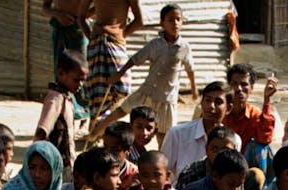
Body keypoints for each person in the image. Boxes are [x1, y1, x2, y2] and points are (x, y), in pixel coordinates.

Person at [86, 4, 196, 142]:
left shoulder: (184, 47)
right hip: (147, 91)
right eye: (171, 20)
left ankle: (159, 160)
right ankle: (95, 132)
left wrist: (194, 90)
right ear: (162, 23)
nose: (175, 23)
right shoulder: (155, 44)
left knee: (163, 135)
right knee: (121, 111)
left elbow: (190, 69)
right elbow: (136, 59)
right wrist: (120, 73)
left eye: (178, 19)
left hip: (166, 98)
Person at [85, 0, 144, 121]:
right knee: (95, 89)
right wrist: (91, 37)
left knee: (123, 87)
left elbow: (139, 21)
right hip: (96, 42)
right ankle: (95, 128)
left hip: (116, 43)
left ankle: (105, 121)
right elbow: (81, 16)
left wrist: (120, 35)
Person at [36, 49, 87, 185]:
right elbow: (43, 129)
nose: (80, 85)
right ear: (61, 74)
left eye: (83, 81)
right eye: (76, 80)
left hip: (65, 161)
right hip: (54, 162)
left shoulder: (66, 97)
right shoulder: (56, 99)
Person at [160, 80, 229, 175]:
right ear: (202, 103)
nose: (211, 106)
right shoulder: (177, 134)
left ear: (229, 108)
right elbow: (162, 171)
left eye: (218, 102)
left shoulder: (232, 140)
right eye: (208, 100)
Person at [224, 63, 278, 174]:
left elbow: (265, 138)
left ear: (251, 88)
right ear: (229, 86)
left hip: (245, 168)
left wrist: (266, 99)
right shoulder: (221, 112)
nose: (239, 89)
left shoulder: (255, 114)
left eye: (244, 84)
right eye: (234, 84)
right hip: (222, 165)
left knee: (260, 148)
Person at [101, 122, 140, 190]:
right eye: (105, 147)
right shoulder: (95, 167)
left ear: (128, 150)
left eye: (115, 150)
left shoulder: (134, 175)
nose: (107, 153)